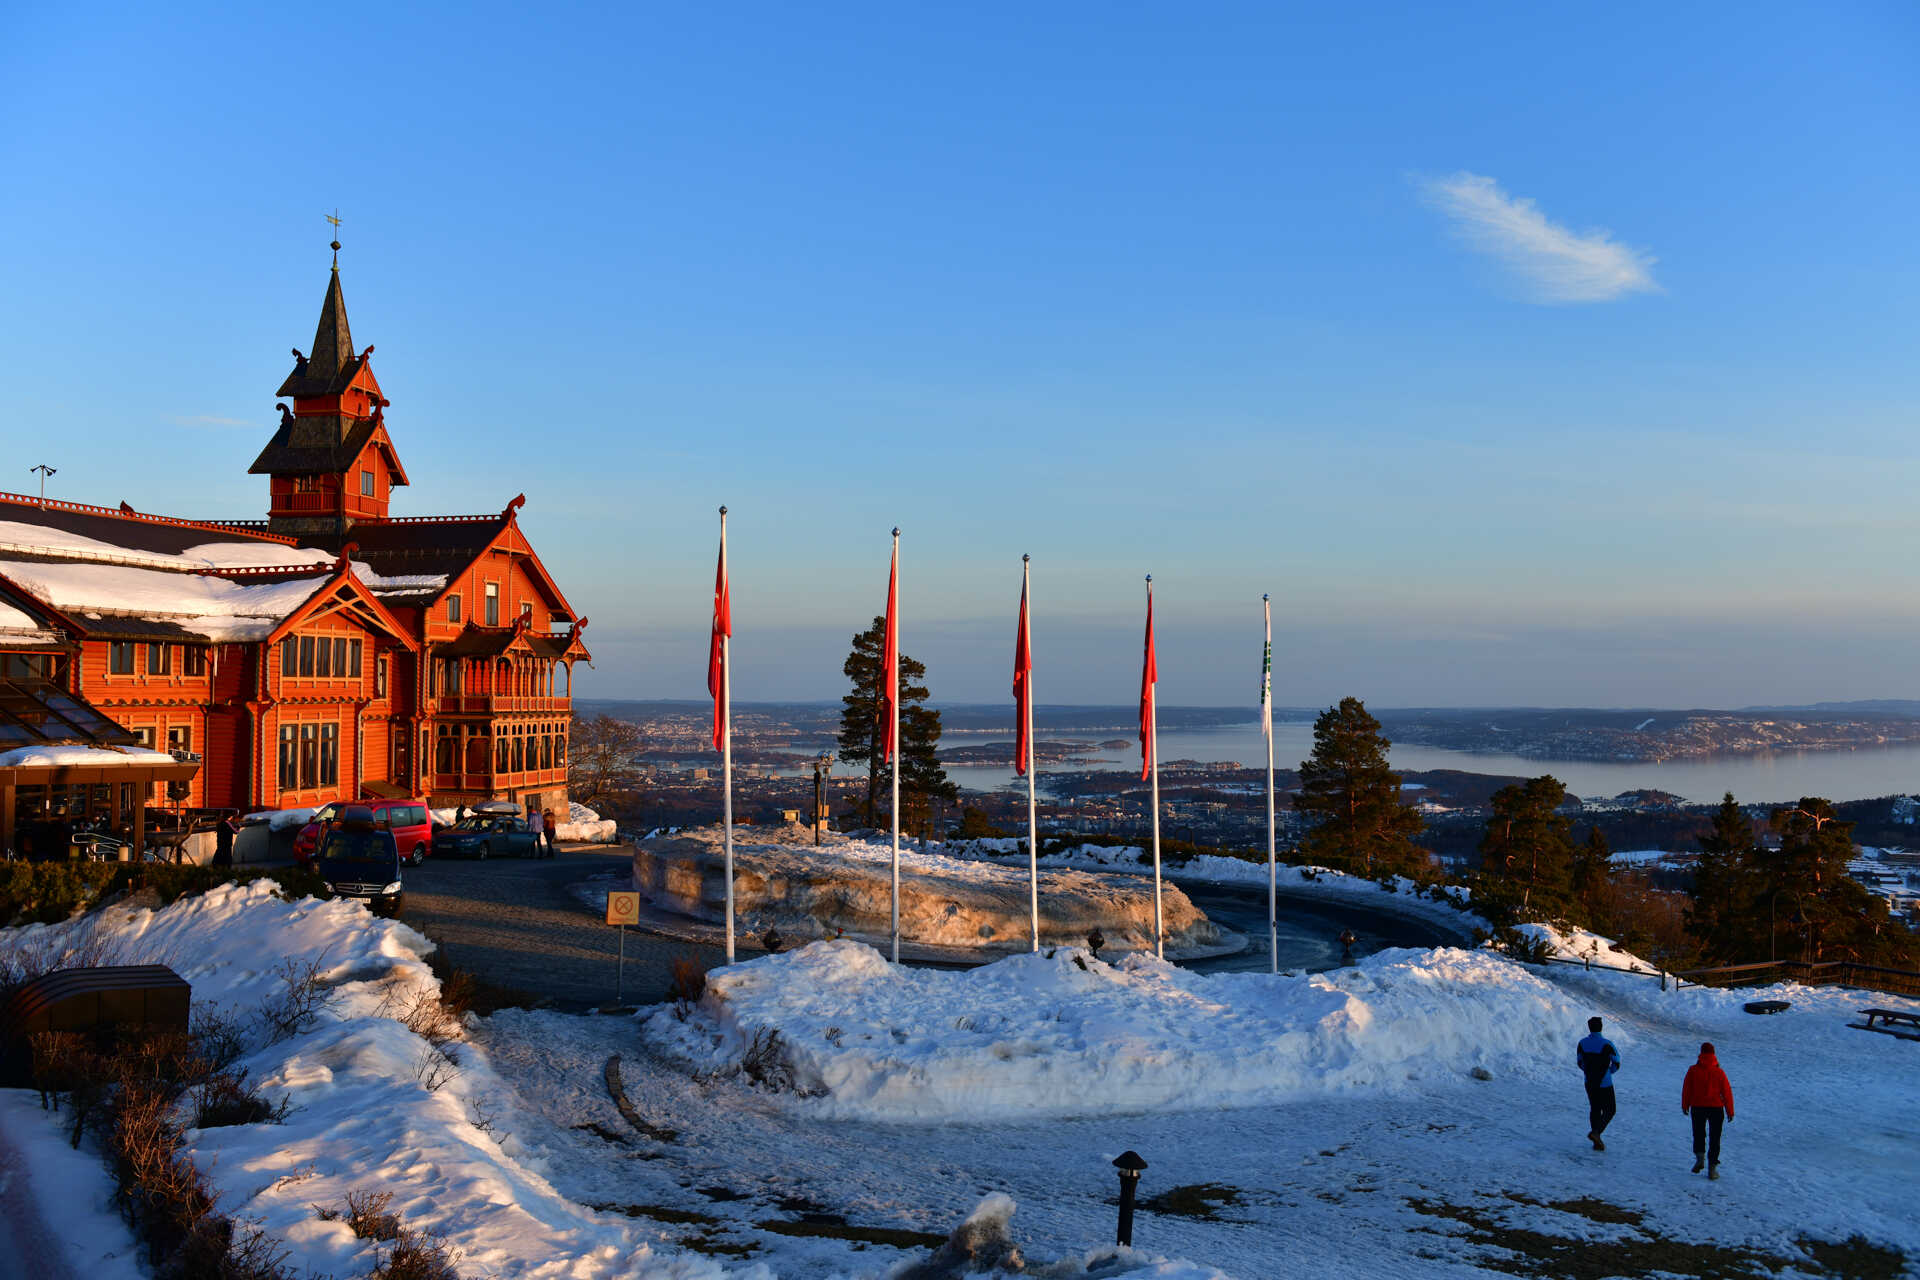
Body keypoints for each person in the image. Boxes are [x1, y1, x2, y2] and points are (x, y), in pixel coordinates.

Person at [1681, 1042, 1735, 1179]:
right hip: (1716, 1108)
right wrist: (1730, 1111)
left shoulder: (1693, 1070)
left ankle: (1700, 1158)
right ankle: (1712, 1169)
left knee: (1699, 1134)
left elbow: (1687, 1089)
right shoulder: (1719, 1072)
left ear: (1701, 1053)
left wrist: (1685, 1105)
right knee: (1715, 1138)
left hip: (1697, 1107)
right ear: (1714, 1054)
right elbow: (1727, 1092)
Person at [1576, 1015, 1621, 1151]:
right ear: (1601, 1028)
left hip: (1589, 1081)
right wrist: (1609, 1073)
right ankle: (1596, 1133)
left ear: (1589, 1028)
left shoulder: (1582, 1043)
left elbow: (1579, 1062)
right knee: (1610, 1110)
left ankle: (1596, 1141)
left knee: (1595, 1108)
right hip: (1604, 1082)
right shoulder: (1607, 1044)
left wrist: (1588, 1073)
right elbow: (1616, 1062)